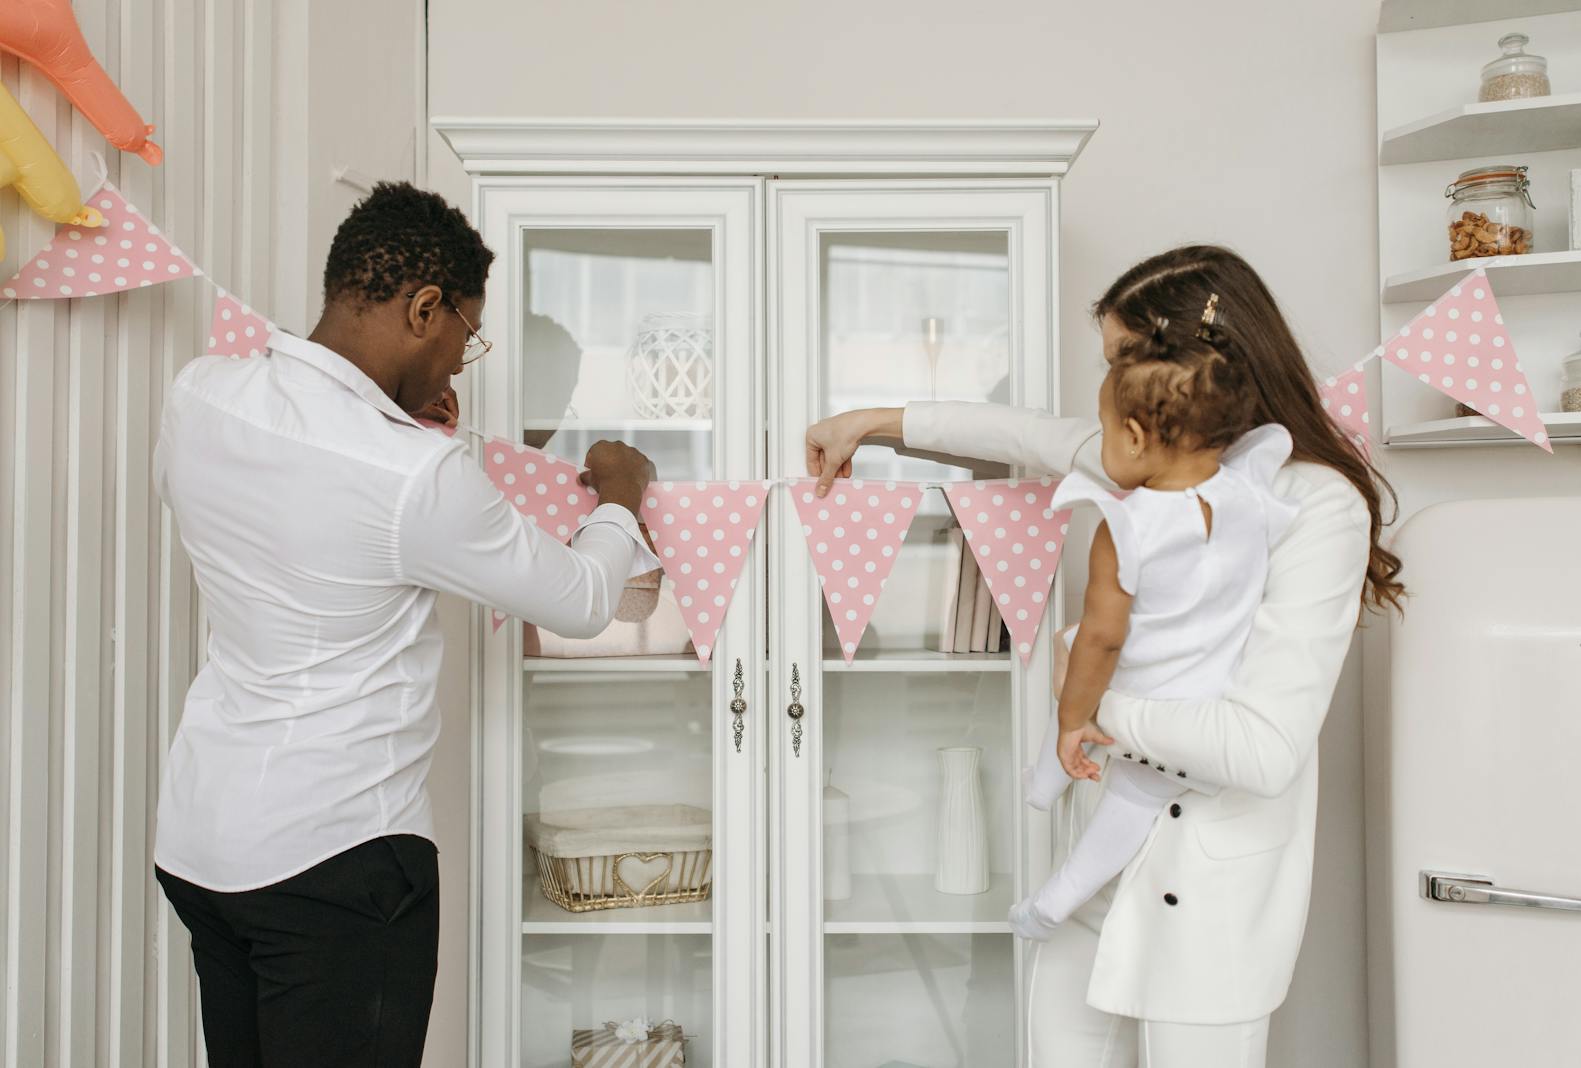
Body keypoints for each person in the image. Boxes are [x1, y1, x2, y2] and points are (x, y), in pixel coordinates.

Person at [805, 245, 1403, 1067]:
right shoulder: (1152, 461)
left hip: (1210, 904)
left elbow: (1263, 751)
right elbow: (1026, 434)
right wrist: (870, 423)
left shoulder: (1312, 504)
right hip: (1095, 881)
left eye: (1125, 359)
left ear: (1192, 366)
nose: (1117, 389)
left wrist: (1088, 707)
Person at [151, 182, 657, 1068]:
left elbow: (307, 507)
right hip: (336, 856)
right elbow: (581, 598)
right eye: (467, 334)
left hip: (204, 839)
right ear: (426, 307)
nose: (464, 363)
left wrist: (406, 425)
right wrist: (621, 490)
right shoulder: (416, 475)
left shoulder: (201, 394)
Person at [1006, 291, 1300, 939]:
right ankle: (1044, 809)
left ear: (1135, 436)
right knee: (1131, 811)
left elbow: (1105, 641)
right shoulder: (1250, 494)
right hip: (1210, 699)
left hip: (1150, 706)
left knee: (1083, 674)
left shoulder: (1126, 524)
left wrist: (1073, 717)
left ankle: (1045, 898)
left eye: (1105, 430)